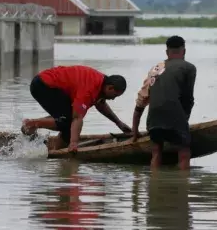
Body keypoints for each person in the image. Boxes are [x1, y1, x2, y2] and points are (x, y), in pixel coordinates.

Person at [21, 65, 132, 152]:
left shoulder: (102, 84)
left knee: (69, 127)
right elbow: (77, 117)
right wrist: (74, 143)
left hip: (54, 87)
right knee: (68, 122)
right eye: (114, 96)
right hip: (44, 85)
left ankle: (54, 151)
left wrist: (118, 123)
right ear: (110, 87)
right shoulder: (89, 89)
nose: (113, 99)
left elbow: (100, 104)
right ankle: (32, 124)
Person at [131, 35, 197, 170]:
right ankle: (183, 184)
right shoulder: (189, 68)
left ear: (167, 52)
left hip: (153, 118)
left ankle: (154, 182)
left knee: (156, 150)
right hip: (175, 115)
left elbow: (141, 100)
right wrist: (184, 120)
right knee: (184, 151)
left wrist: (135, 130)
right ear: (184, 51)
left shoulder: (155, 69)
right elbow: (188, 98)